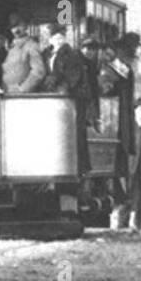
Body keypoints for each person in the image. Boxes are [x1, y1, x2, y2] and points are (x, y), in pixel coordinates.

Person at [42, 25, 91, 173]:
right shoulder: (46, 54)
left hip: (66, 100)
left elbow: (73, 79)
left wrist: (56, 82)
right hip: (48, 98)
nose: (58, 40)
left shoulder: (72, 55)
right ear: (50, 39)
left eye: (60, 37)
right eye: (54, 37)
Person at [117, 99, 141, 230]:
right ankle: (123, 222)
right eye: (139, 109)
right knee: (127, 193)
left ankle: (140, 222)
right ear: (134, 111)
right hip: (131, 165)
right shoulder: (129, 128)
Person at [0, 15, 46, 93]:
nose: (16, 30)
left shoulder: (31, 46)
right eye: (13, 27)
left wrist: (22, 89)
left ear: (26, 26)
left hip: (24, 97)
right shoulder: (11, 49)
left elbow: (39, 71)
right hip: (7, 95)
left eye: (19, 26)